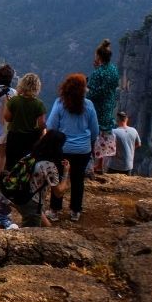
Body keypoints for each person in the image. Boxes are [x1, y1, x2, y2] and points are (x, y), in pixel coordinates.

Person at [46, 73, 99, 222]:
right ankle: (75, 211)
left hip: (62, 149)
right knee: (78, 179)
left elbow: (51, 126)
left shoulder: (59, 103)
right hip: (83, 150)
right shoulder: (89, 105)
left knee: (57, 177)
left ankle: (54, 210)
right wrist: (87, 142)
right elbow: (95, 130)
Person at [0, 131, 70, 228]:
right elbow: (58, 193)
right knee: (31, 232)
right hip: (31, 201)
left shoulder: (31, 156)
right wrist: (66, 173)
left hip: (17, 194)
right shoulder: (49, 166)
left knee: (47, 226)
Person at [87, 40, 120, 176]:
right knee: (104, 133)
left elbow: (93, 93)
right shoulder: (114, 69)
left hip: (98, 107)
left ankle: (91, 165)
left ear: (99, 56)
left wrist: (86, 91)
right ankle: (100, 165)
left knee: (94, 134)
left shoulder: (98, 73)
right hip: (109, 105)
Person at [3, 72, 46, 171]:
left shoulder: (14, 101)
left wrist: (11, 106)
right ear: (37, 87)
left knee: (11, 164)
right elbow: (42, 124)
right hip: (31, 139)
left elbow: (7, 118)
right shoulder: (39, 104)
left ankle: (11, 180)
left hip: (14, 137)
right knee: (27, 165)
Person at [109, 111, 142, 175]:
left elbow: (109, 147)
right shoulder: (134, 130)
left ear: (117, 120)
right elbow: (139, 144)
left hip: (115, 166)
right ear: (127, 119)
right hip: (128, 166)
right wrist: (130, 149)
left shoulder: (113, 132)